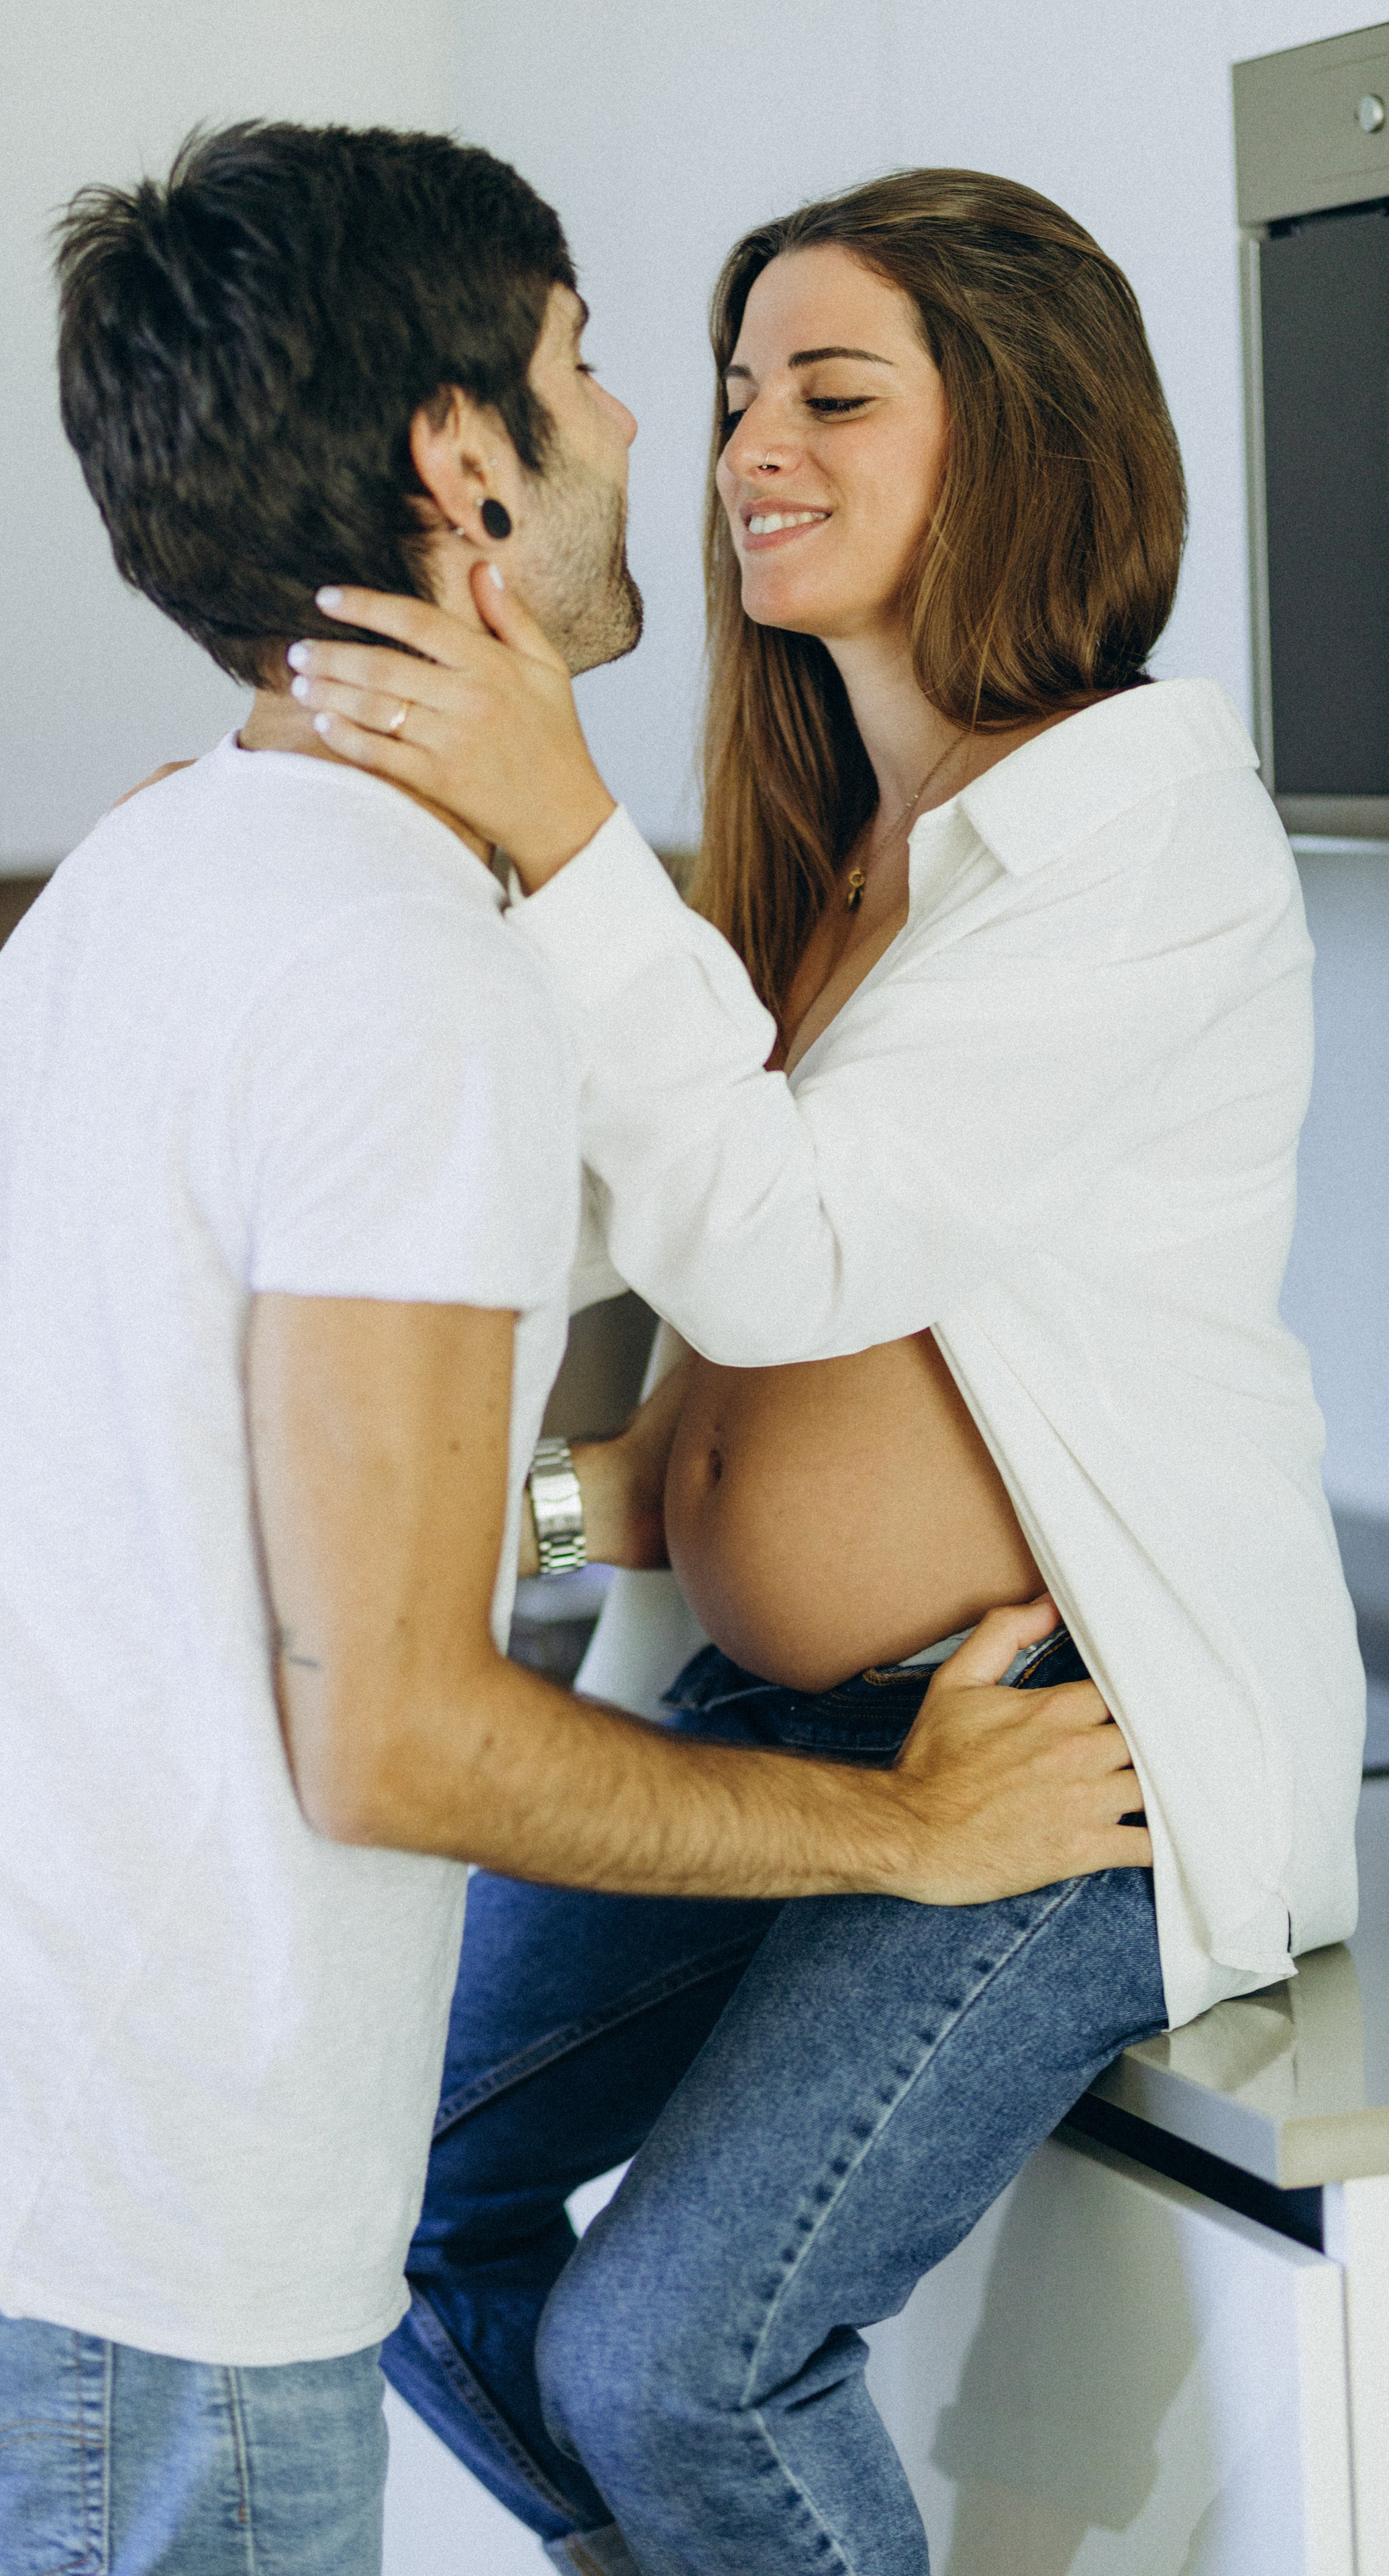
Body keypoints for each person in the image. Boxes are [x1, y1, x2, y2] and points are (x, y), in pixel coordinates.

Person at [0, 135, 1140, 2576]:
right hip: (119, 2275)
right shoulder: (399, 979)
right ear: (467, 461)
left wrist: (645, 1510)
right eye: (601, 366)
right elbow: (387, 1725)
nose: (662, 447)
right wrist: (911, 1827)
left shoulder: (152, 868)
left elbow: (404, 1508)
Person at [280, 169, 1367, 2575]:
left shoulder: (1138, 834)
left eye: (838, 390)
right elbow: (669, 1470)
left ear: (1024, 441)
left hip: (1055, 1753)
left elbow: (785, 1256)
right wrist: (487, 1537)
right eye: (743, 385)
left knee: (672, 2368)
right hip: (786, 1747)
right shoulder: (829, 859)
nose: (753, 435)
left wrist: (557, 824)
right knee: (351, 2199)